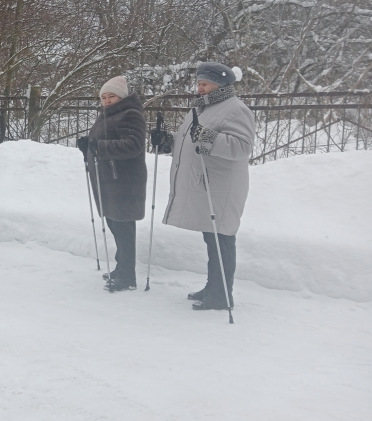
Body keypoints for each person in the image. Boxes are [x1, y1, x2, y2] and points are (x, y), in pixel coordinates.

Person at [154, 62, 254, 310]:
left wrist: (208, 137)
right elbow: (190, 140)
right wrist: (167, 141)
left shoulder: (236, 109)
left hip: (221, 187)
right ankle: (213, 287)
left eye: (204, 84)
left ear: (219, 85)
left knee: (221, 240)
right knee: (212, 239)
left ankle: (222, 296)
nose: (199, 88)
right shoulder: (201, 108)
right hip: (207, 185)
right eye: (198, 83)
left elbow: (242, 147)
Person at [77, 76, 147, 291]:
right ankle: (121, 268)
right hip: (110, 180)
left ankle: (127, 277)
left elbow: (133, 144)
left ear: (121, 97)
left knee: (124, 229)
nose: (107, 101)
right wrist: (88, 145)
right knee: (115, 225)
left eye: (111, 96)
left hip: (125, 181)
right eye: (104, 97)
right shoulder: (107, 115)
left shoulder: (130, 114)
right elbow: (102, 140)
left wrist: (100, 148)